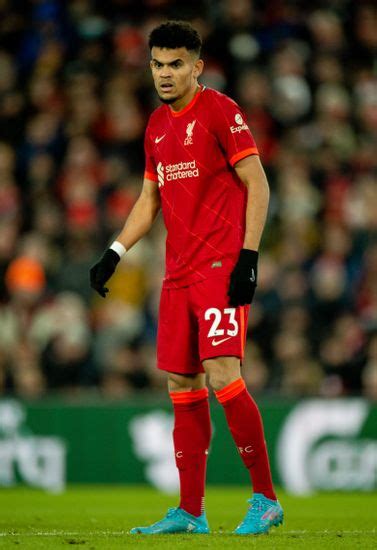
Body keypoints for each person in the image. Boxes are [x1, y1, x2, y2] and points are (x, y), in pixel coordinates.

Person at [90, 20, 283, 536]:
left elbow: (257, 182)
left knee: (223, 374)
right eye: (158, 64)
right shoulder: (155, 125)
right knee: (182, 382)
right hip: (176, 273)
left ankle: (265, 498)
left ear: (197, 66)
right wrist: (115, 251)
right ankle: (191, 511)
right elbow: (149, 198)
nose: (165, 73)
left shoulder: (221, 110)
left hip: (220, 266)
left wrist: (248, 257)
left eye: (176, 64)